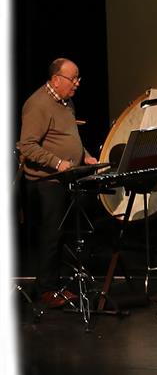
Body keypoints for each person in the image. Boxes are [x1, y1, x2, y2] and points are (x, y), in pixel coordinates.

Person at [16, 58, 98, 307]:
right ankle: (46, 290)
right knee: (51, 235)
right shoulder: (38, 104)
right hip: (45, 182)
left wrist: (84, 155)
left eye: (78, 78)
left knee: (62, 234)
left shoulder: (66, 102)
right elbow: (27, 146)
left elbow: (68, 136)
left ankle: (54, 283)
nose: (77, 83)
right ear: (56, 80)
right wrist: (57, 162)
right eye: (73, 78)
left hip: (64, 179)